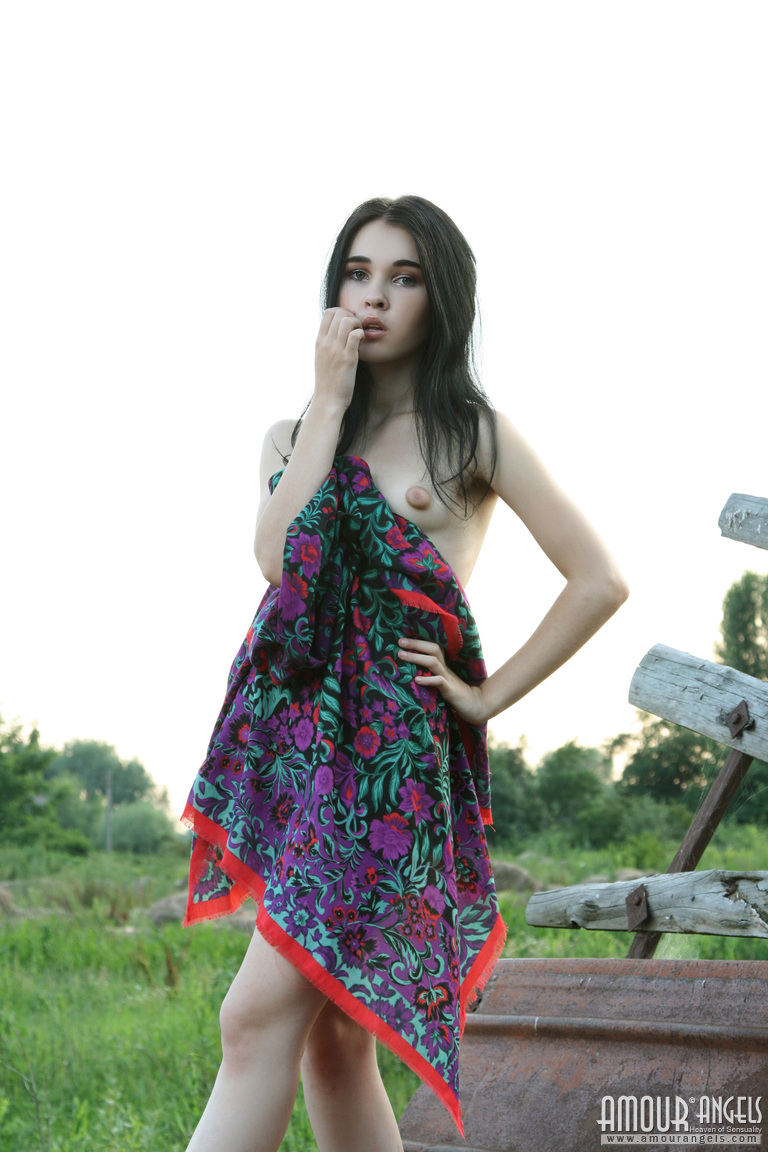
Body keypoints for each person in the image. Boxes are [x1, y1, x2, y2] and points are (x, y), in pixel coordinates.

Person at [181, 195, 628, 1152]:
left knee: (252, 1019)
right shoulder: (292, 434)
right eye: (358, 273)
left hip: (387, 770)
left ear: (442, 297)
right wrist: (328, 404)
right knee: (334, 1037)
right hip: (301, 754)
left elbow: (599, 580)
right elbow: (276, 560)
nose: (374, 296)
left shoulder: (472, 433)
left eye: (404, 277)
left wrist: (486, 694)